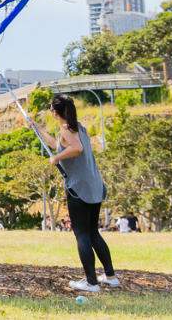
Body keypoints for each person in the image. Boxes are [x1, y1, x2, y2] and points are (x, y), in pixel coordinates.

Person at [38, 94, 117, 294]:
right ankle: (110, 276)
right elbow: (60, 144)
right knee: (92, 232)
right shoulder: (78, 127)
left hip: (79, 189)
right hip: (94, 187)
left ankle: (91, 282)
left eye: (50, 109)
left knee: (81, 234)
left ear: (56, 112)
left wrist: (56, 158)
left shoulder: (66, 130)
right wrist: (37, 128)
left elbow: (76, 149)